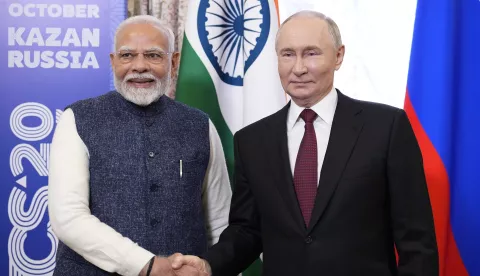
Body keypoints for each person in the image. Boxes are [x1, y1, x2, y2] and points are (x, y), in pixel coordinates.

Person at [170, 10, 439, 276]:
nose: (298, 68)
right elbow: (247, 230)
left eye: (311, 53)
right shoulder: (252, 141)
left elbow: (416, 240)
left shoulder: (386, 127)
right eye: (288, 54)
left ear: (338, 56)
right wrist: (208, 266)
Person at [48, 15, 232, 276]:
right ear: (113, 62)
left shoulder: (200, 125)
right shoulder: (77, 119)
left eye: (154, 55)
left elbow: (220, 220)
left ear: (174, 62)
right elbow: (68, 218)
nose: (139, 66)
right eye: (127, 56)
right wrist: (147, 265)